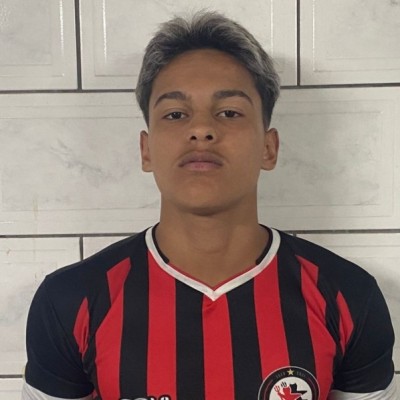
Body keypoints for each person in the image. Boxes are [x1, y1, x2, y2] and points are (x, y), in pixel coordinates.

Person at [22, 11, 397, 400]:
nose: (201, 130)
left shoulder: (349, 296)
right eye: (176, 114)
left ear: (269, 148)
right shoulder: (71, 301)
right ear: (146, 150)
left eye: (229, 112)